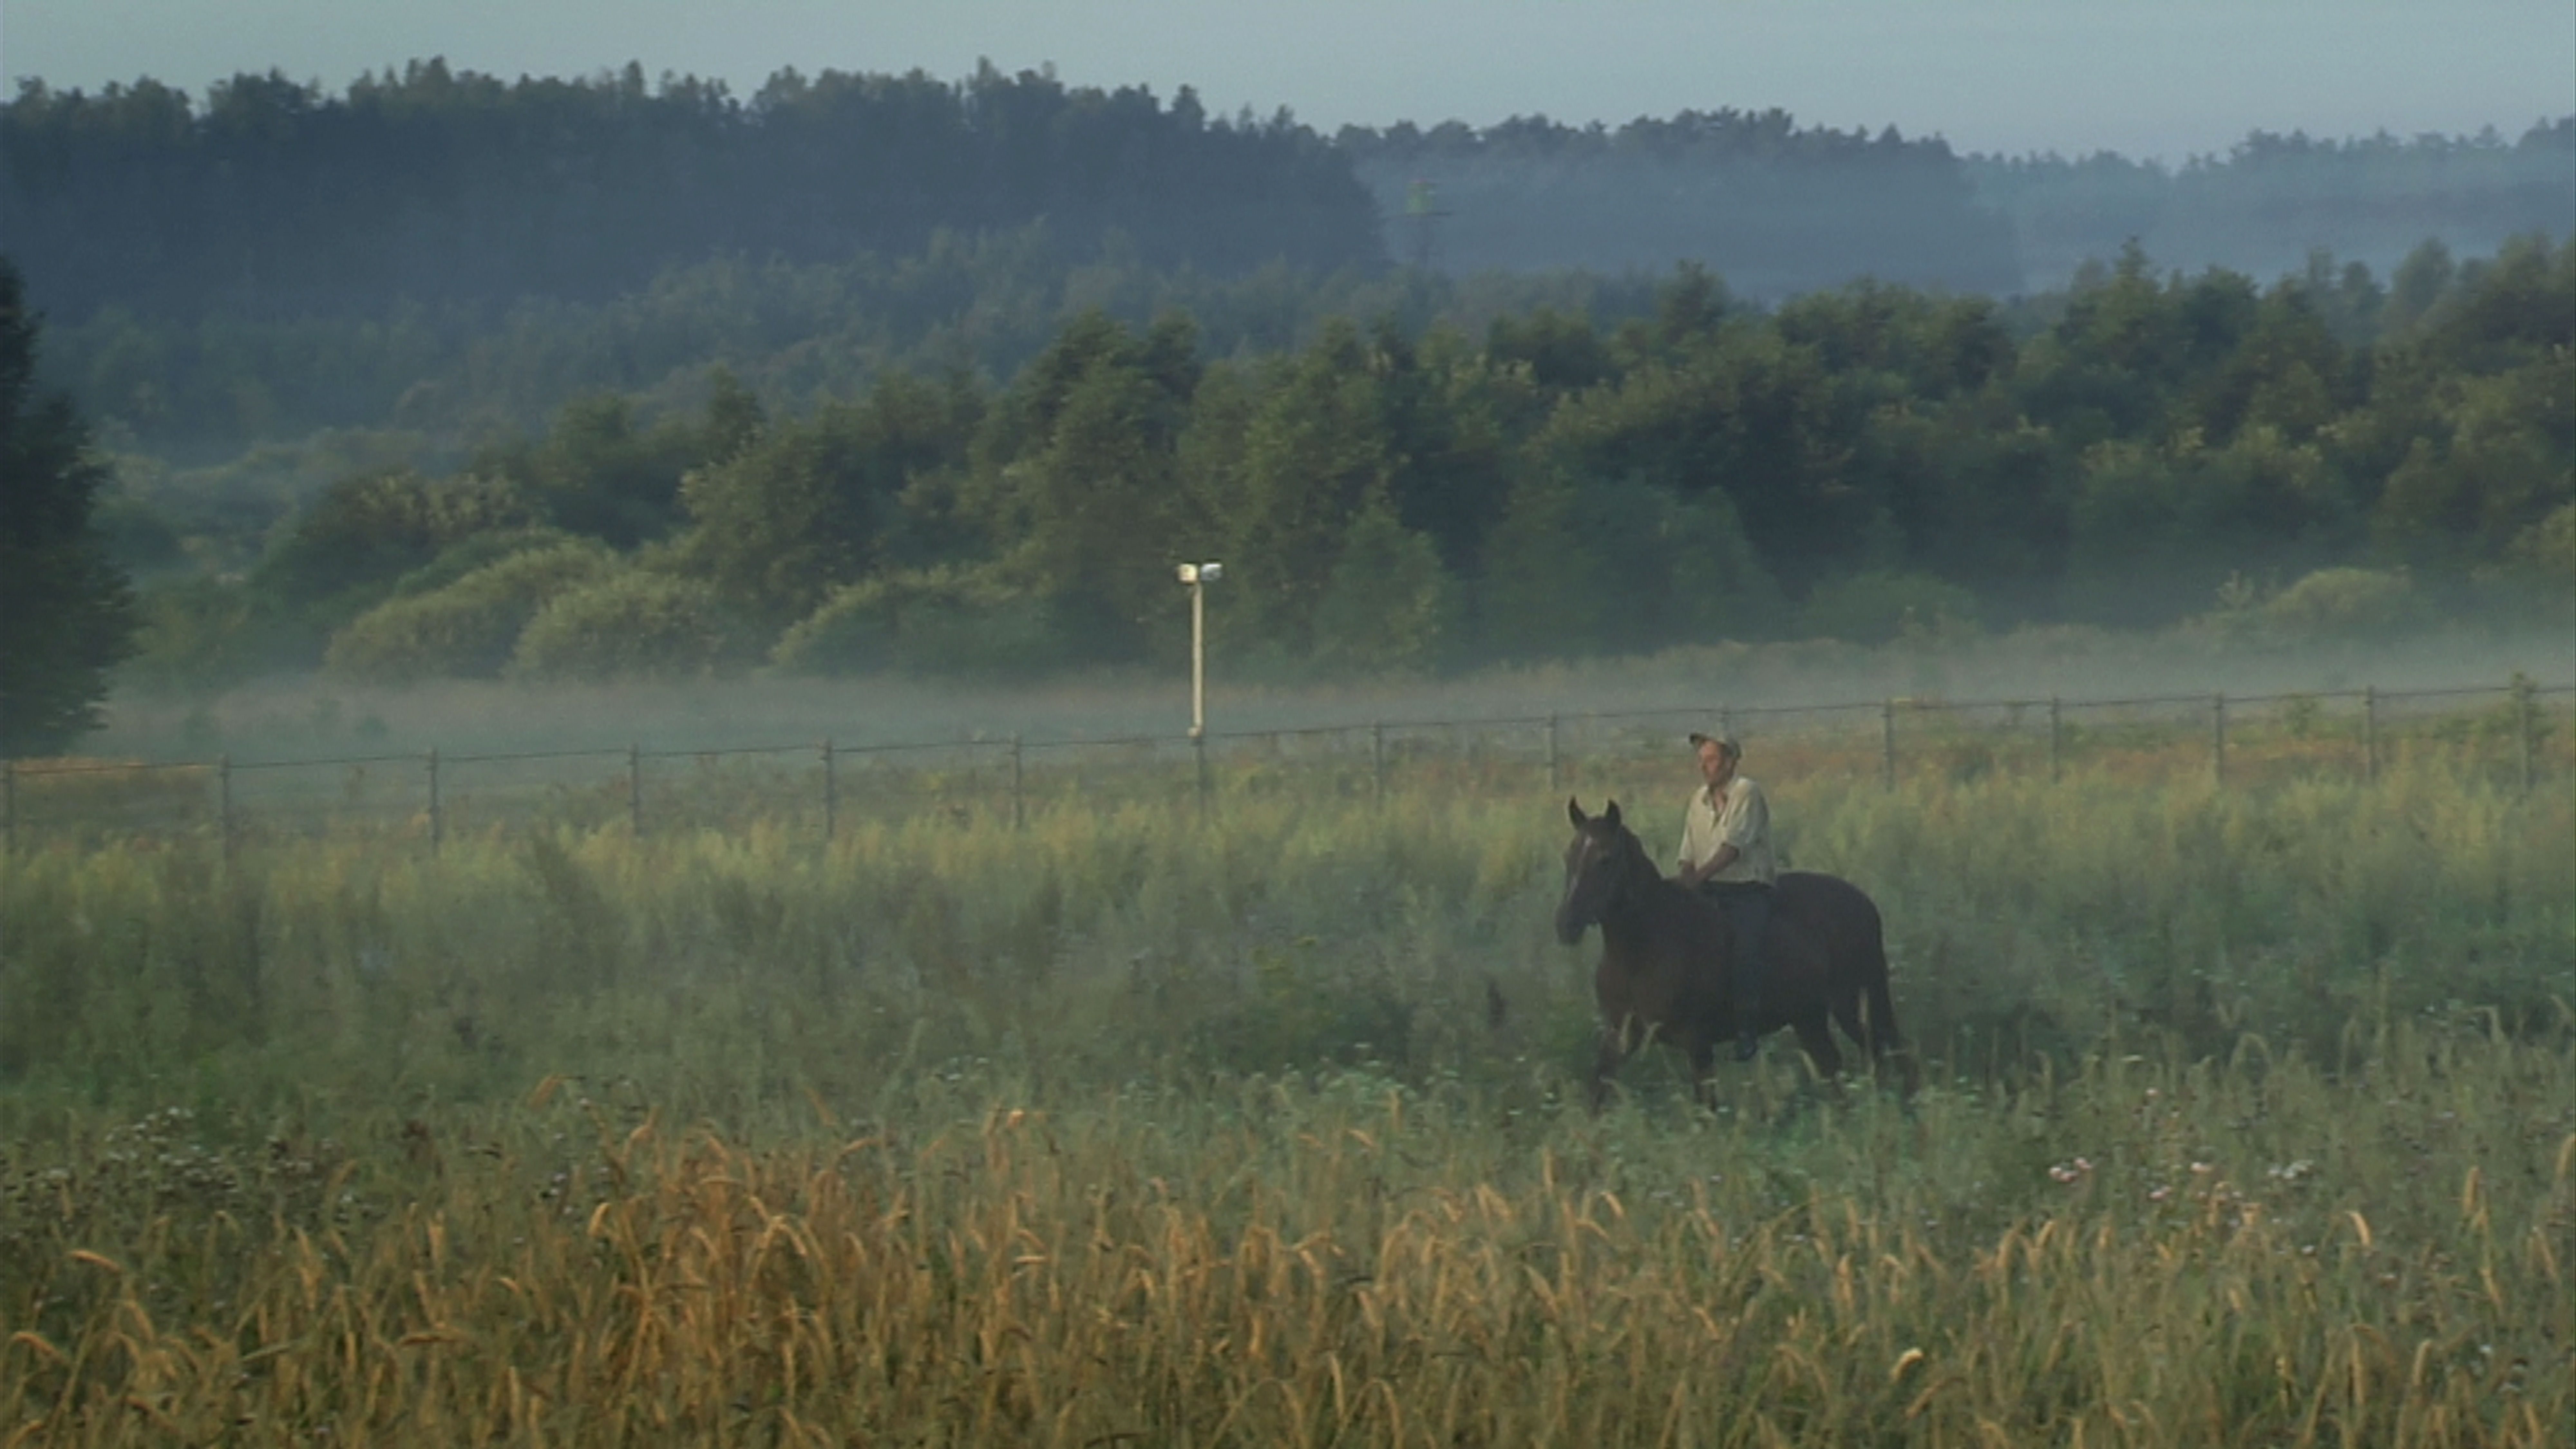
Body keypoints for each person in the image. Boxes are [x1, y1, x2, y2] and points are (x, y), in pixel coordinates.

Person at [1674, 731, 1777, 1061]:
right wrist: (1685, 882)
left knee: (1745, 950)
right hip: (1708, 888)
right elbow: (1687, 851)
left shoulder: (1746, 792)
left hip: (1746, 888)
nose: (1705, 767)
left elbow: (1733, 848)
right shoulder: (1697, 800)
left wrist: (1697, 879)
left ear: (1731, 762)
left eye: (1713, 760)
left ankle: (1747, 1028)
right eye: (1702, 760)